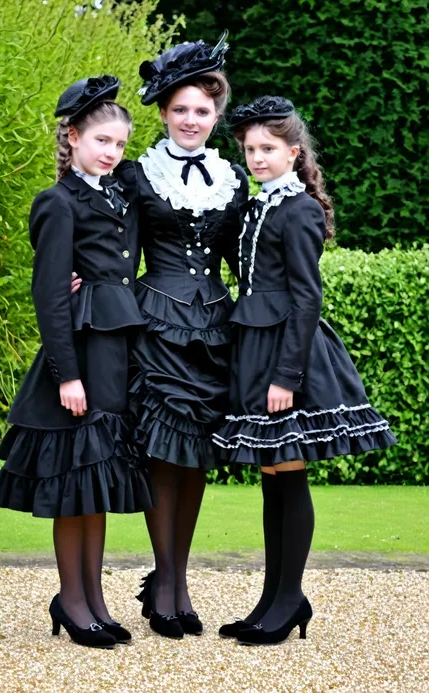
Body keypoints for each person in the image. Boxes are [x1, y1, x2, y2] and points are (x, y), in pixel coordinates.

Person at [213, 96, 397, 646]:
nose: (257, 158)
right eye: (250, 149)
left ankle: (289, 599)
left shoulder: (298, 210)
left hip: (288, 356)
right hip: (255, 347)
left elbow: (306, 298)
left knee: (288, 475)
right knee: (273, 477)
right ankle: (272, 599)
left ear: (293, 152)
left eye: (267, 149)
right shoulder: (257, 206)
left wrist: (285, 377)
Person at [0, 75, 153, 649]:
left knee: (100, 481)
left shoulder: (118, 193)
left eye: (119, 145)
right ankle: (72, 599)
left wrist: (128, 170)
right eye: (101, 140)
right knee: (74, 480)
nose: (111, 152)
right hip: (80, 357)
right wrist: (68, 375)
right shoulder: (57, 203)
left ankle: (96, 599)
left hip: (117, 353)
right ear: (74, 136)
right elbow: (50, 296)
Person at [117, 33, 248, 639]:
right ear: (164, 112)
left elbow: (248, 258)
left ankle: (179, 580)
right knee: (160, 455)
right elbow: (113, 249)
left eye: (202, 110)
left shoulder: (234, 179)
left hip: (215, 330)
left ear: (215, 115)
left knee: (195, 457)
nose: (191, 119)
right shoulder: (137, 174)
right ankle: (165, 582)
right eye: (181, 110)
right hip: (156, 324)